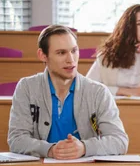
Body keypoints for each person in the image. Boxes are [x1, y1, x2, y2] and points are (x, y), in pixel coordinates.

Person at [8, 25, 128, 158]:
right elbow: (16, 139)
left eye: (74, 51)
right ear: (42, 55)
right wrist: (50, 150)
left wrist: (84, 147)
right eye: (61, 53)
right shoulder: (27, 88)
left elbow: (119, 141)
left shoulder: (98, 92)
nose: (70, 59)